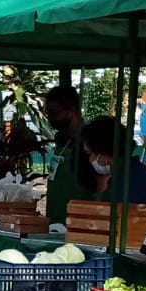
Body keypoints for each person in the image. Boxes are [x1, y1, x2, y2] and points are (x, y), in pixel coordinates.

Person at [78, 116, 146, 206]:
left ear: (102, 151)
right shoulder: (133, 172)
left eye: (90, 153)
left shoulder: (124, 184)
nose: (90, 160)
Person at [42, 84, 97, 225]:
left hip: (79, 225)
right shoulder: (60, 139)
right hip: (54, 223)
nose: (49, 117)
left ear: (71, 111)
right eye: (47, 112)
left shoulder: (88, 143)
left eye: (54, 112)